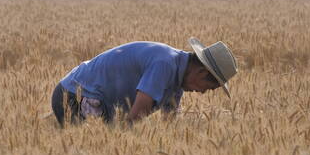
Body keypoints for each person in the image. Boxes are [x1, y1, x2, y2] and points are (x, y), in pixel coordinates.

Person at [51, 37, 238, 127]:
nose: (204, 92)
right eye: (210, 87)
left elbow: (170, 125)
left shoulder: (176, 83)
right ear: (201, 72)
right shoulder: (165, 64)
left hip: (94, 103)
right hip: (74, 98)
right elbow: (137, 113)